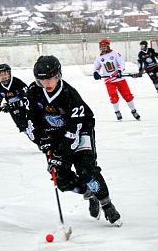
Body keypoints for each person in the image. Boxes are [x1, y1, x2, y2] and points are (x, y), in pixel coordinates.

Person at [26, 55, 122, 225]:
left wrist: (60, 154)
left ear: (58, 76)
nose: (47, 84)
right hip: (55, 134)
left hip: (80, 128)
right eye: (42, 81)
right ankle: (88, 193)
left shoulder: (69, 95)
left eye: (50, 79)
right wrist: (44, 142)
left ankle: (107, 204)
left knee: (86, 170)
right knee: (61, 180)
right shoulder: (34, 91)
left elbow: (73, 132)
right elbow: (33, 120)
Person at [92, 38, 140, 121]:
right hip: (109, 81)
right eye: (102, 46)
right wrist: (95, 73)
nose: (103, 48)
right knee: (113, 96)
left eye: (105, 46)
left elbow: (121, 63)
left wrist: (120, 71)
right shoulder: (99, 57)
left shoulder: (115, 54)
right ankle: (117, 112)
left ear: (108, 46)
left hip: (119, 79)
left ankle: (133, 110)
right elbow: (96, 67)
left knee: (127, 95)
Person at [0, 63, 31, 133]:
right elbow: (0, 95)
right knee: (22, 127)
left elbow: (27, 99)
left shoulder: (17, 83)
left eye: (5, 74)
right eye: (1, 74)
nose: (3, 76)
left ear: (9, 74)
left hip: (25, 109)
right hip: (13, 110)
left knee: (31, 125)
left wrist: (13, 105)